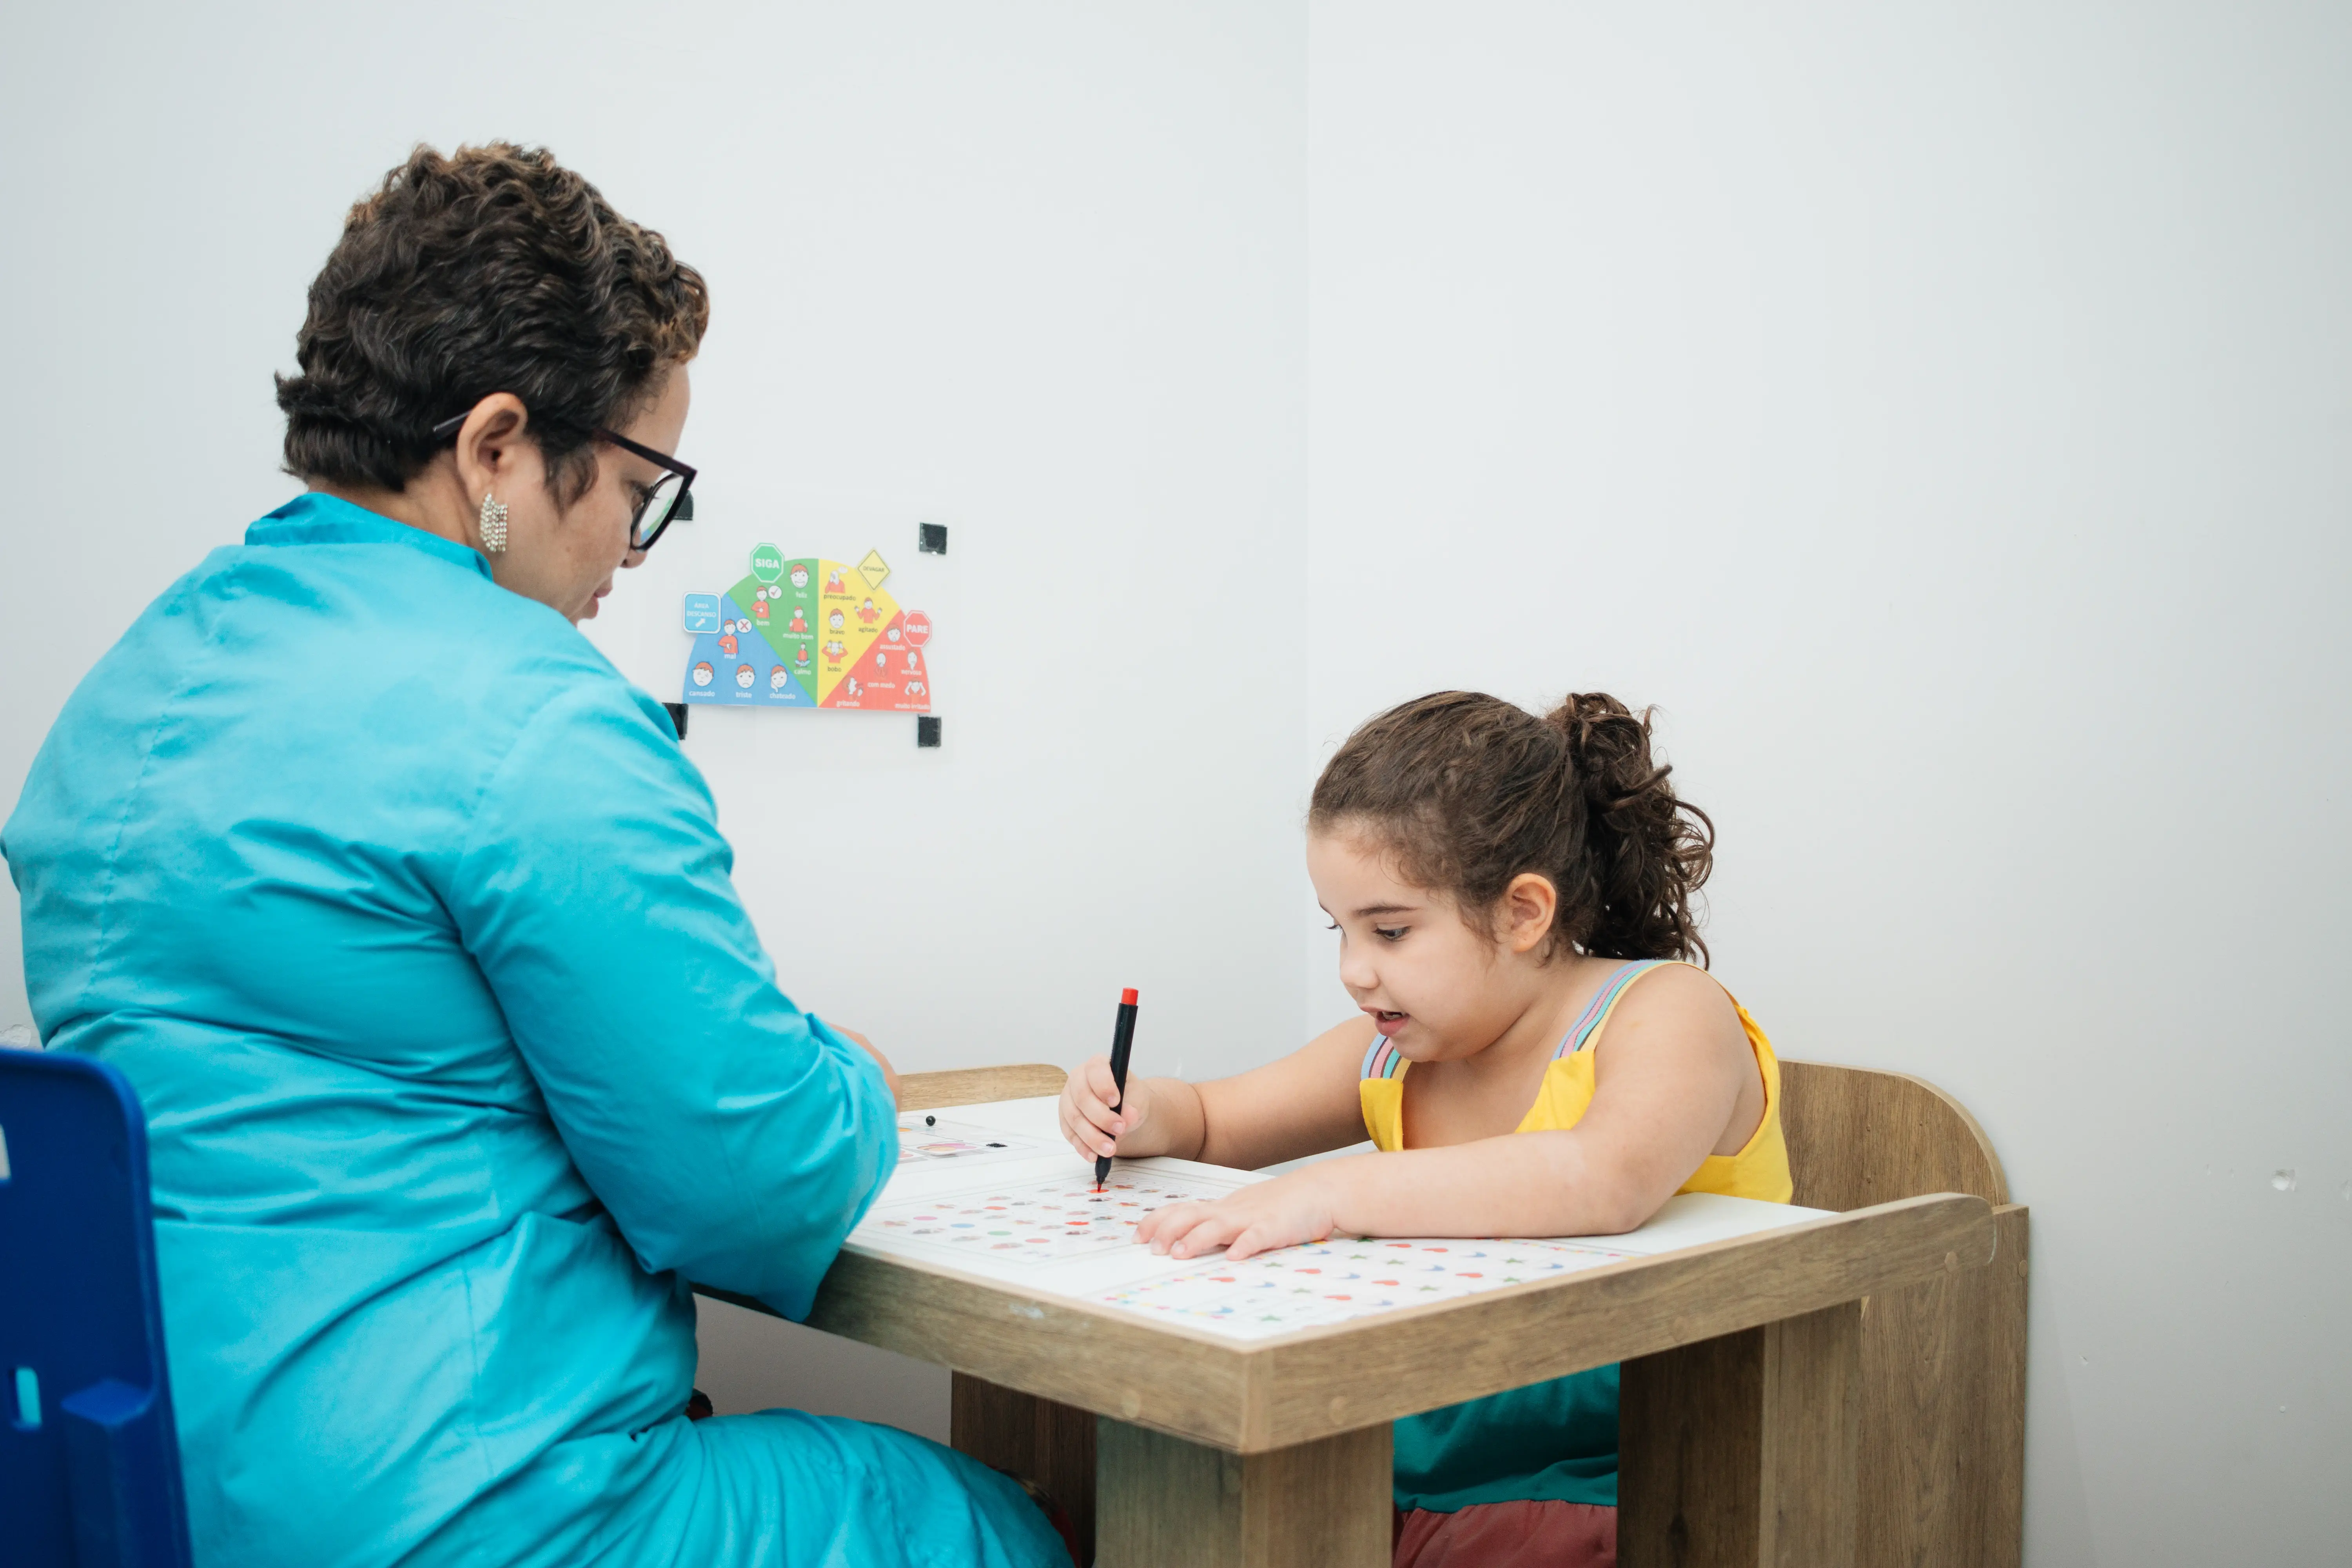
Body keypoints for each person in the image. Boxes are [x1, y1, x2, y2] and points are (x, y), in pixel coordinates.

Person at [4, 144, 1067, 1568]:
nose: (635, 546)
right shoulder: (533, 714)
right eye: (644, 486)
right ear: (497, 446)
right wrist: (851, 1086)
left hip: (136, 1497)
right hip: (447, 1515)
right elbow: (752, 1191)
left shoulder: (129, 688)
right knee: (984, 1522)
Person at [1058, 690, 1792, 1568]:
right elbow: (1214, 1120)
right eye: (1341, 929)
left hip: (1630, 1481)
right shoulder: (1397, 1050)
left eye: (1392, 930)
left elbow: (1605, 1178)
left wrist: (1332, 1189)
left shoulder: (1669, 1012)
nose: (1353, 970)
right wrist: (1136, 1110)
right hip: (1403, 1462)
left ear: (1523, 912)